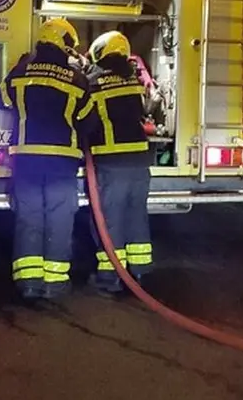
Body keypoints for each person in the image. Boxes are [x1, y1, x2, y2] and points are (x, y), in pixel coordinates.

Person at [0, 17, 90, 302]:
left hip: (27, 159)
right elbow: (87, 120)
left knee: (29, 217)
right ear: (64, 42)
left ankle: (29, 283)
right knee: (60, 218)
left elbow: (0, 98)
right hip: (62, 162)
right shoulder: (77, 80)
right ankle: (55, 283)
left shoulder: (21, 72)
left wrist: (18, 66)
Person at [77, 30, 154, 295]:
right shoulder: (132, 81)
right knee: (136, 218)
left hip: (111, 161)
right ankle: (140, 273)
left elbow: (85, 121)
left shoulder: (93, 83)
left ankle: (109, 279)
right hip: (139, 161)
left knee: (110, 221)